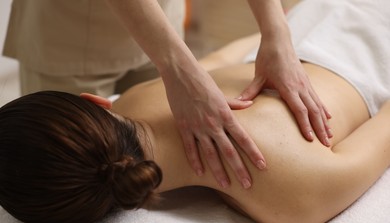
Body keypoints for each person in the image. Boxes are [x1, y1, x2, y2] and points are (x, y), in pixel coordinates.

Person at [0, 0, 389, 223]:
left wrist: (275, 33)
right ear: (100, 103)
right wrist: (279, 31)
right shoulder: (139, 98)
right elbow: (222, 62)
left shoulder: (289, 202)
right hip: (322, 18)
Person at [2, 0, 332, 189]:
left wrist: (276, 31)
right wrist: (178, 69)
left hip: (159, 15)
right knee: (55, 164)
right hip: (68, 28)